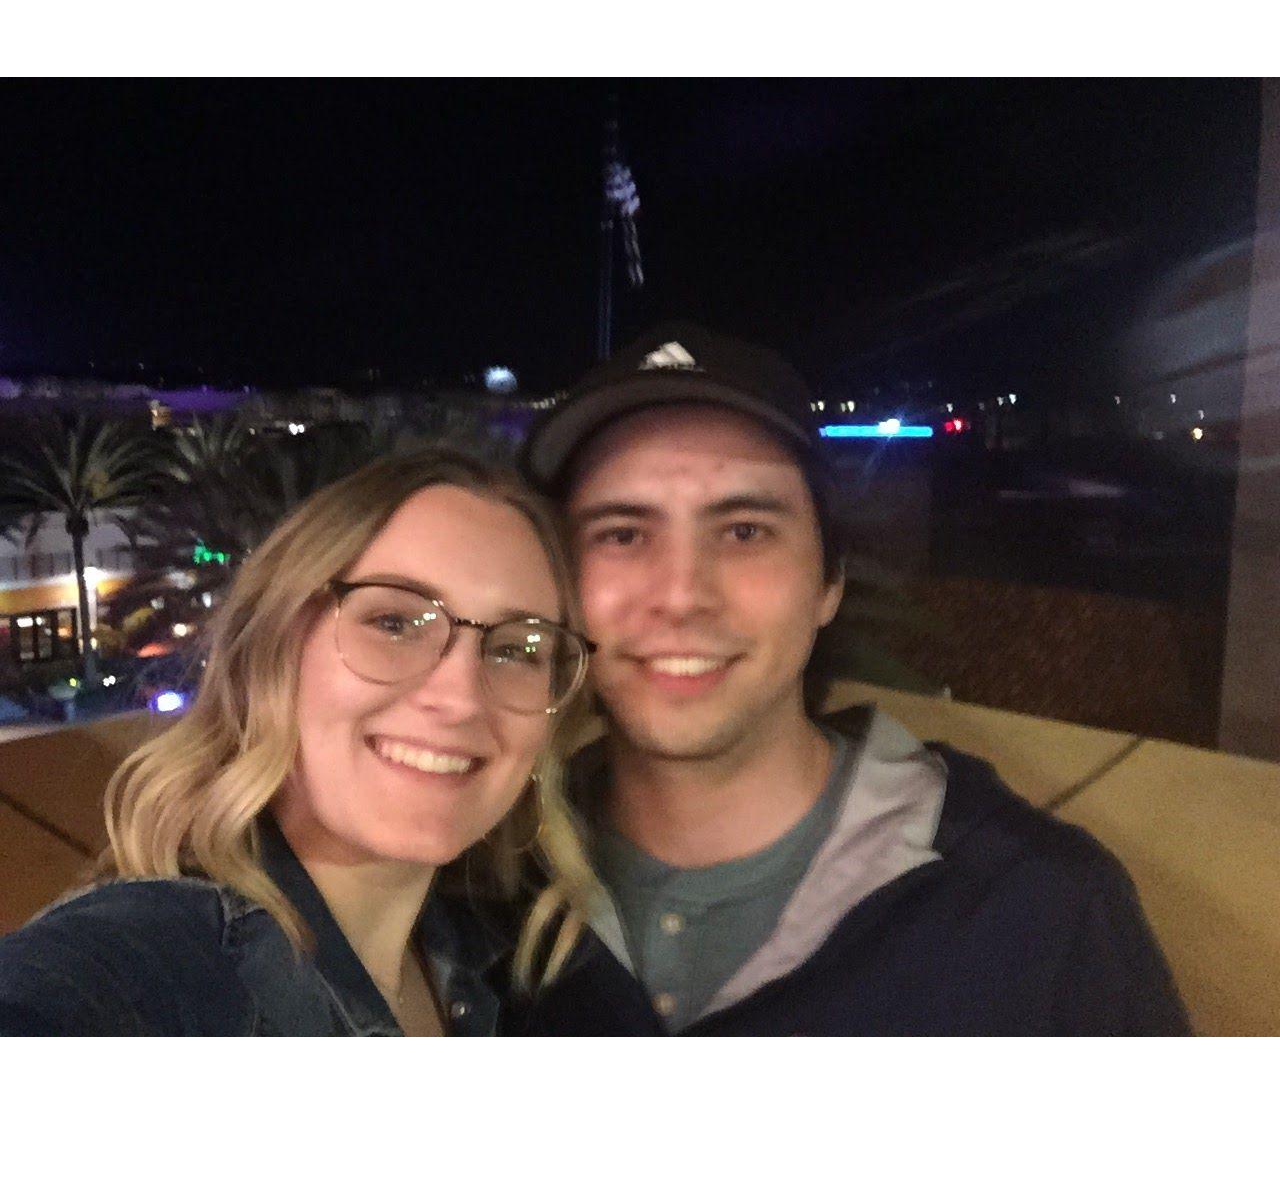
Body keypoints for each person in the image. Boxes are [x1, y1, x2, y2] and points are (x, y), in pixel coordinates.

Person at [506, 322, 1191, 1035]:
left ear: (829, 581)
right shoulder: (487, 885)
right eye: (622, 534)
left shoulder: (1039, 913)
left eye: (744, 531)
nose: (681, 595)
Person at [0, 447, 596, 1036]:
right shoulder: (162, 959)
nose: (462, 697)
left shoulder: (485, 962)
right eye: (393, 623)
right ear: (276, 650)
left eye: (519, 649)